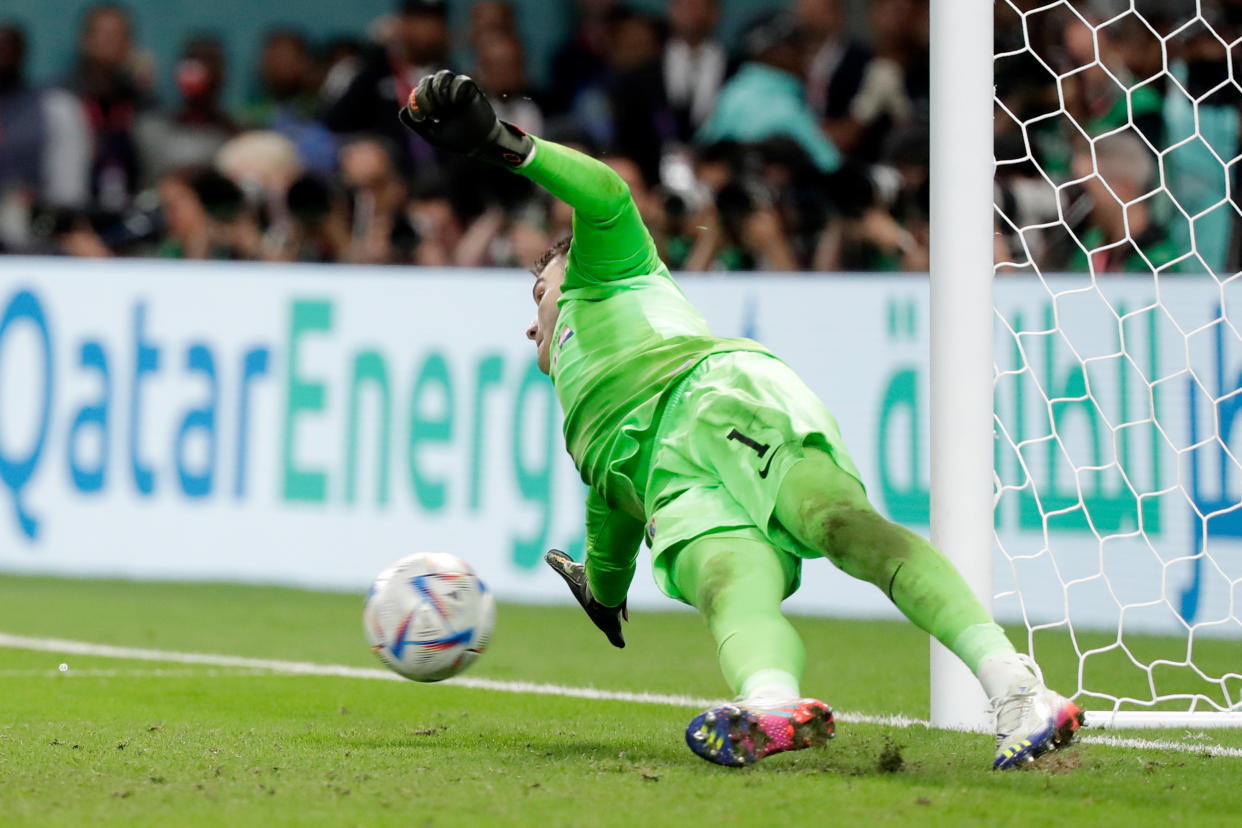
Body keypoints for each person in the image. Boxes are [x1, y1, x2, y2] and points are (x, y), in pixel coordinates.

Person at [398, 70, 1084, 770]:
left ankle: (1017, 687)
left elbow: (605, 197)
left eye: (535, 293)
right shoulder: (584, 423)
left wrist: (504, 144)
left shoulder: (605, 273)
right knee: (728, 580)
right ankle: (773, 701)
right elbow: (614, 510)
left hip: (714, 398)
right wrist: (602, 591)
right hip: (664, 478)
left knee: (840, 526)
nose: (529, 324)